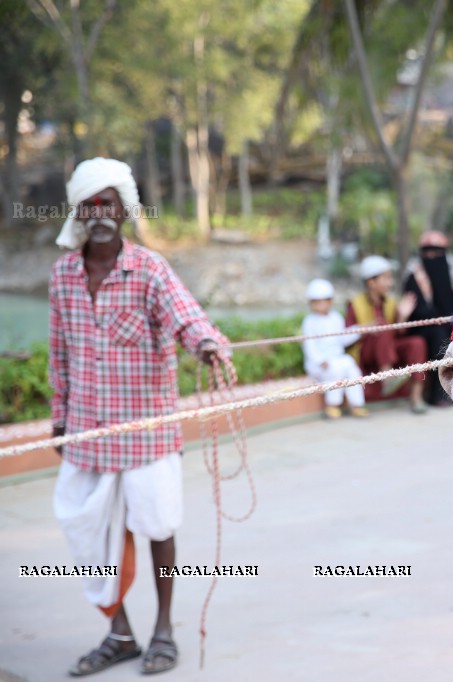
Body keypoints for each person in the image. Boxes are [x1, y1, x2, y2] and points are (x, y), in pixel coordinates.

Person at [48, 157, 231, 675]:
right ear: (80, 211)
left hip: (147, 433)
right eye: (91, 203)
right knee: (87, 533)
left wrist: (207, 345)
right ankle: (120, 633)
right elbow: (57, 355)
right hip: (87, 431)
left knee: (158, 526)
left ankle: (164, 632)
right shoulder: (62, 275)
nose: (101, 212)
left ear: (124, 209)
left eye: (109, 202)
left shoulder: (149, 268)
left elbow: (186, 315)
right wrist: (60, 420)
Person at [346, 256, 428, 414]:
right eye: (386, 278)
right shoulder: (355, 304)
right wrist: (366, 328)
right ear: (371, 282)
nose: (390, 283)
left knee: (417, 342)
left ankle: (416, 397)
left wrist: (402, 317)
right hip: (366, 352)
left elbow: (398, 334)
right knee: (382, 325)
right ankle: (388, 377)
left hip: (388, 350)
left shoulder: (391, 302)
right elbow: (347, 337)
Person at [402, 231, 453, 405]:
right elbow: (416, 310)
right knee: (439, 336)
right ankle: (438, 394)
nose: (432, 256)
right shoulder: (414, 276)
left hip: (451, 322)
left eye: (436, 252)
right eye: (427, 252)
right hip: (423, 327)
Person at [301, 278, 367, 418]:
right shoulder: (309, 321)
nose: (317, 305)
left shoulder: (336, 317)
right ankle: (332, 405)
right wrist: (320, 361)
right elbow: (309, 346)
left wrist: (358, 330)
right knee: (335, 370)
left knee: (353, 369)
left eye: (321, 301)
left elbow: (342, 339)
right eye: (314, 302)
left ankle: (356, 404)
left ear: (330, 301)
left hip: (337, 359)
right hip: (320, 364)